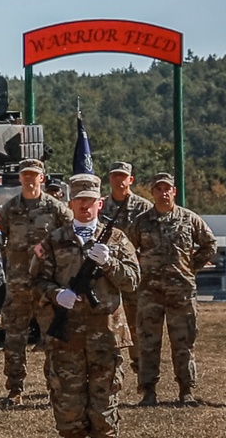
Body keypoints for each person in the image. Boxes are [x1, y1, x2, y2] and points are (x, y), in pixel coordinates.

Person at [33, 174, 140, 438]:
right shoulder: (54, 240)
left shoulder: (116, 239)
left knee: (104, 416)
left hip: (106, 338)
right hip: (66, 338)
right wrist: (57, 294)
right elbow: (36, 281)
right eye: (79, 200)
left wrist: (109, 263)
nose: (85, 206)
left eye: (90, 200)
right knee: (69, 415)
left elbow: (133, 281)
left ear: (100, 204)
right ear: (70, 202)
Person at [127, 172, 216, 407]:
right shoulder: (141, 222)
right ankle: (148, 392)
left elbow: (209, 244)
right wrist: (138, 271)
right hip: (150, 293)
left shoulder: (188, 219)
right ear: (153, 192)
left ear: (174, 192)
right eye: (159, 189)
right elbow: (127, 249)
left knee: (184, 342)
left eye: (167, 188)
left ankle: (186, 391)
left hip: (181, 292)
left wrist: (190, 267)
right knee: (148, 343)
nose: (163, 192)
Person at [0, 158, 73, 405]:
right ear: (20, 178)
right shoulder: (10, 209)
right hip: (18, 284)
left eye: (34, 175)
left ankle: (54, 387)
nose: (29, 179)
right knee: (14, 338)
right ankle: (15, 389)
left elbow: (72, 235)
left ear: (42, 178)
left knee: (51, 337)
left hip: (46, 284)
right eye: (25, 175)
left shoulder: (55, 208)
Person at [100, 161, 152, 378]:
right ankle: (109, 370)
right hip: (106, 276)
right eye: (115, 176)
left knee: (138, 326)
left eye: (123, 176)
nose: (119, 180)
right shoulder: (101, 206)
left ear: (131, 180)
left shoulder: (144, 208)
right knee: (106, 324)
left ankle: (142, 373)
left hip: (133, 277)